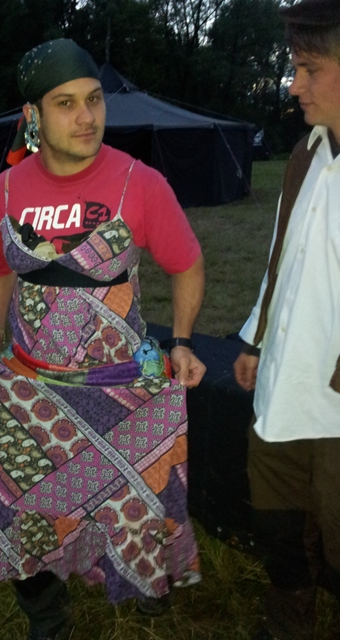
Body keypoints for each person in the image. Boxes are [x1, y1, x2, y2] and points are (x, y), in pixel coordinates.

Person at [0, 39, 206, 640]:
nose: (87, 116)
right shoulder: (6, 191)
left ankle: (146, 577)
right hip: (32, 385)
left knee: (136, 501)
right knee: (18, 499)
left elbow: (187, 263)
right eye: (66, 104)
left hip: (119, 388)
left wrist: (181, 339)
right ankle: (47, 612)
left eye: (94, 100)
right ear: (33, 115)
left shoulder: (138, 183)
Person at [233, 1, 340, 638]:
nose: (294, 85)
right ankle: (290, 624)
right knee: (277, 521)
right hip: (282, 384)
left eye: (310, 69)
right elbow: (284, 257)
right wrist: (256, 337)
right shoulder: (306, 152)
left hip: (334, 407)